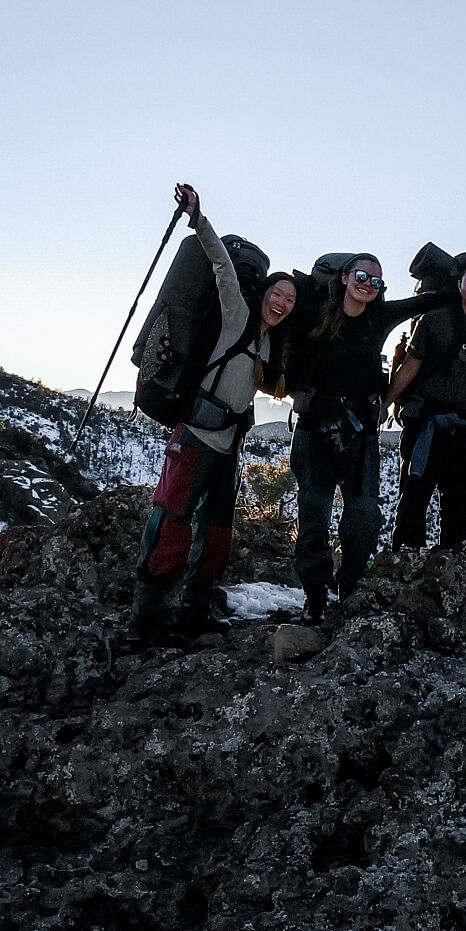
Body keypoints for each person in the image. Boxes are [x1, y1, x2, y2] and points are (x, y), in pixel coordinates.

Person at [131, 184, 297, 644]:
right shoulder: (236, 312)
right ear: (264, 291)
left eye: (290, 300)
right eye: (278, 293)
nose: (281, 302)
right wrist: (199, 218)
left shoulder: (267, 341)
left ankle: (196, 607)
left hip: (228, 443)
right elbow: (222, 265)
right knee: (171, 519)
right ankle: (147, 616)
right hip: (196, 434)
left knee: (218, 527)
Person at [281, 254, 454, 622]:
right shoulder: (312, 313)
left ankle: (351, 590)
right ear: (344, 277)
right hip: (314, 429)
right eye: (362, 276)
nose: (368, 284)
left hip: (360, 433)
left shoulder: (379, 316)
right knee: (314, 514)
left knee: (362, 516)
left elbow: (429, 301)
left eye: (376, 280)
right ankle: (315, 595)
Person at [387, 254, 466, 553]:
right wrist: (384, 403)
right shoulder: (436, 320)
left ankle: (451, 574)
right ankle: (405, 573)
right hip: (426, 424)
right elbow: (411, 365)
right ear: (459, 284)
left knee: (460, 510)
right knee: (413, 504)